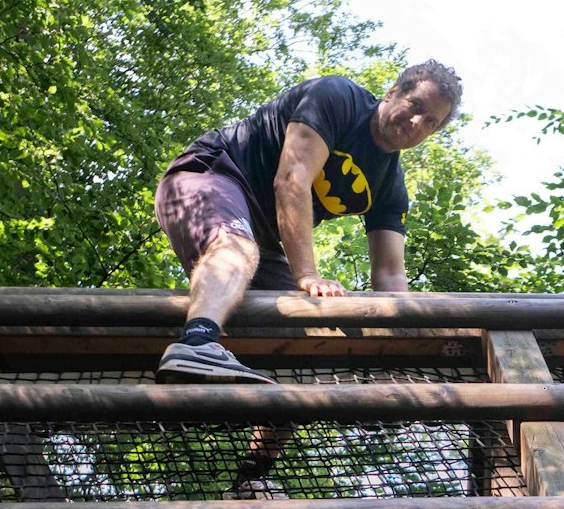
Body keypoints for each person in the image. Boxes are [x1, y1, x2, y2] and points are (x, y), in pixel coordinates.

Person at [154, 62, 462, 385]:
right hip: (211, 172)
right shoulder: (337, 98)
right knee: (237, 246)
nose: (417, 122)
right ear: (392, 93)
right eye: (415, 106)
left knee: (309, 327)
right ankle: (197, 342)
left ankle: (260, 410)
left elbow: (390, 273)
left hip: (260, 239)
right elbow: (291, 180)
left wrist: (407, 343)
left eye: (431, 122)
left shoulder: (390, 187)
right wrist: (308, 275)